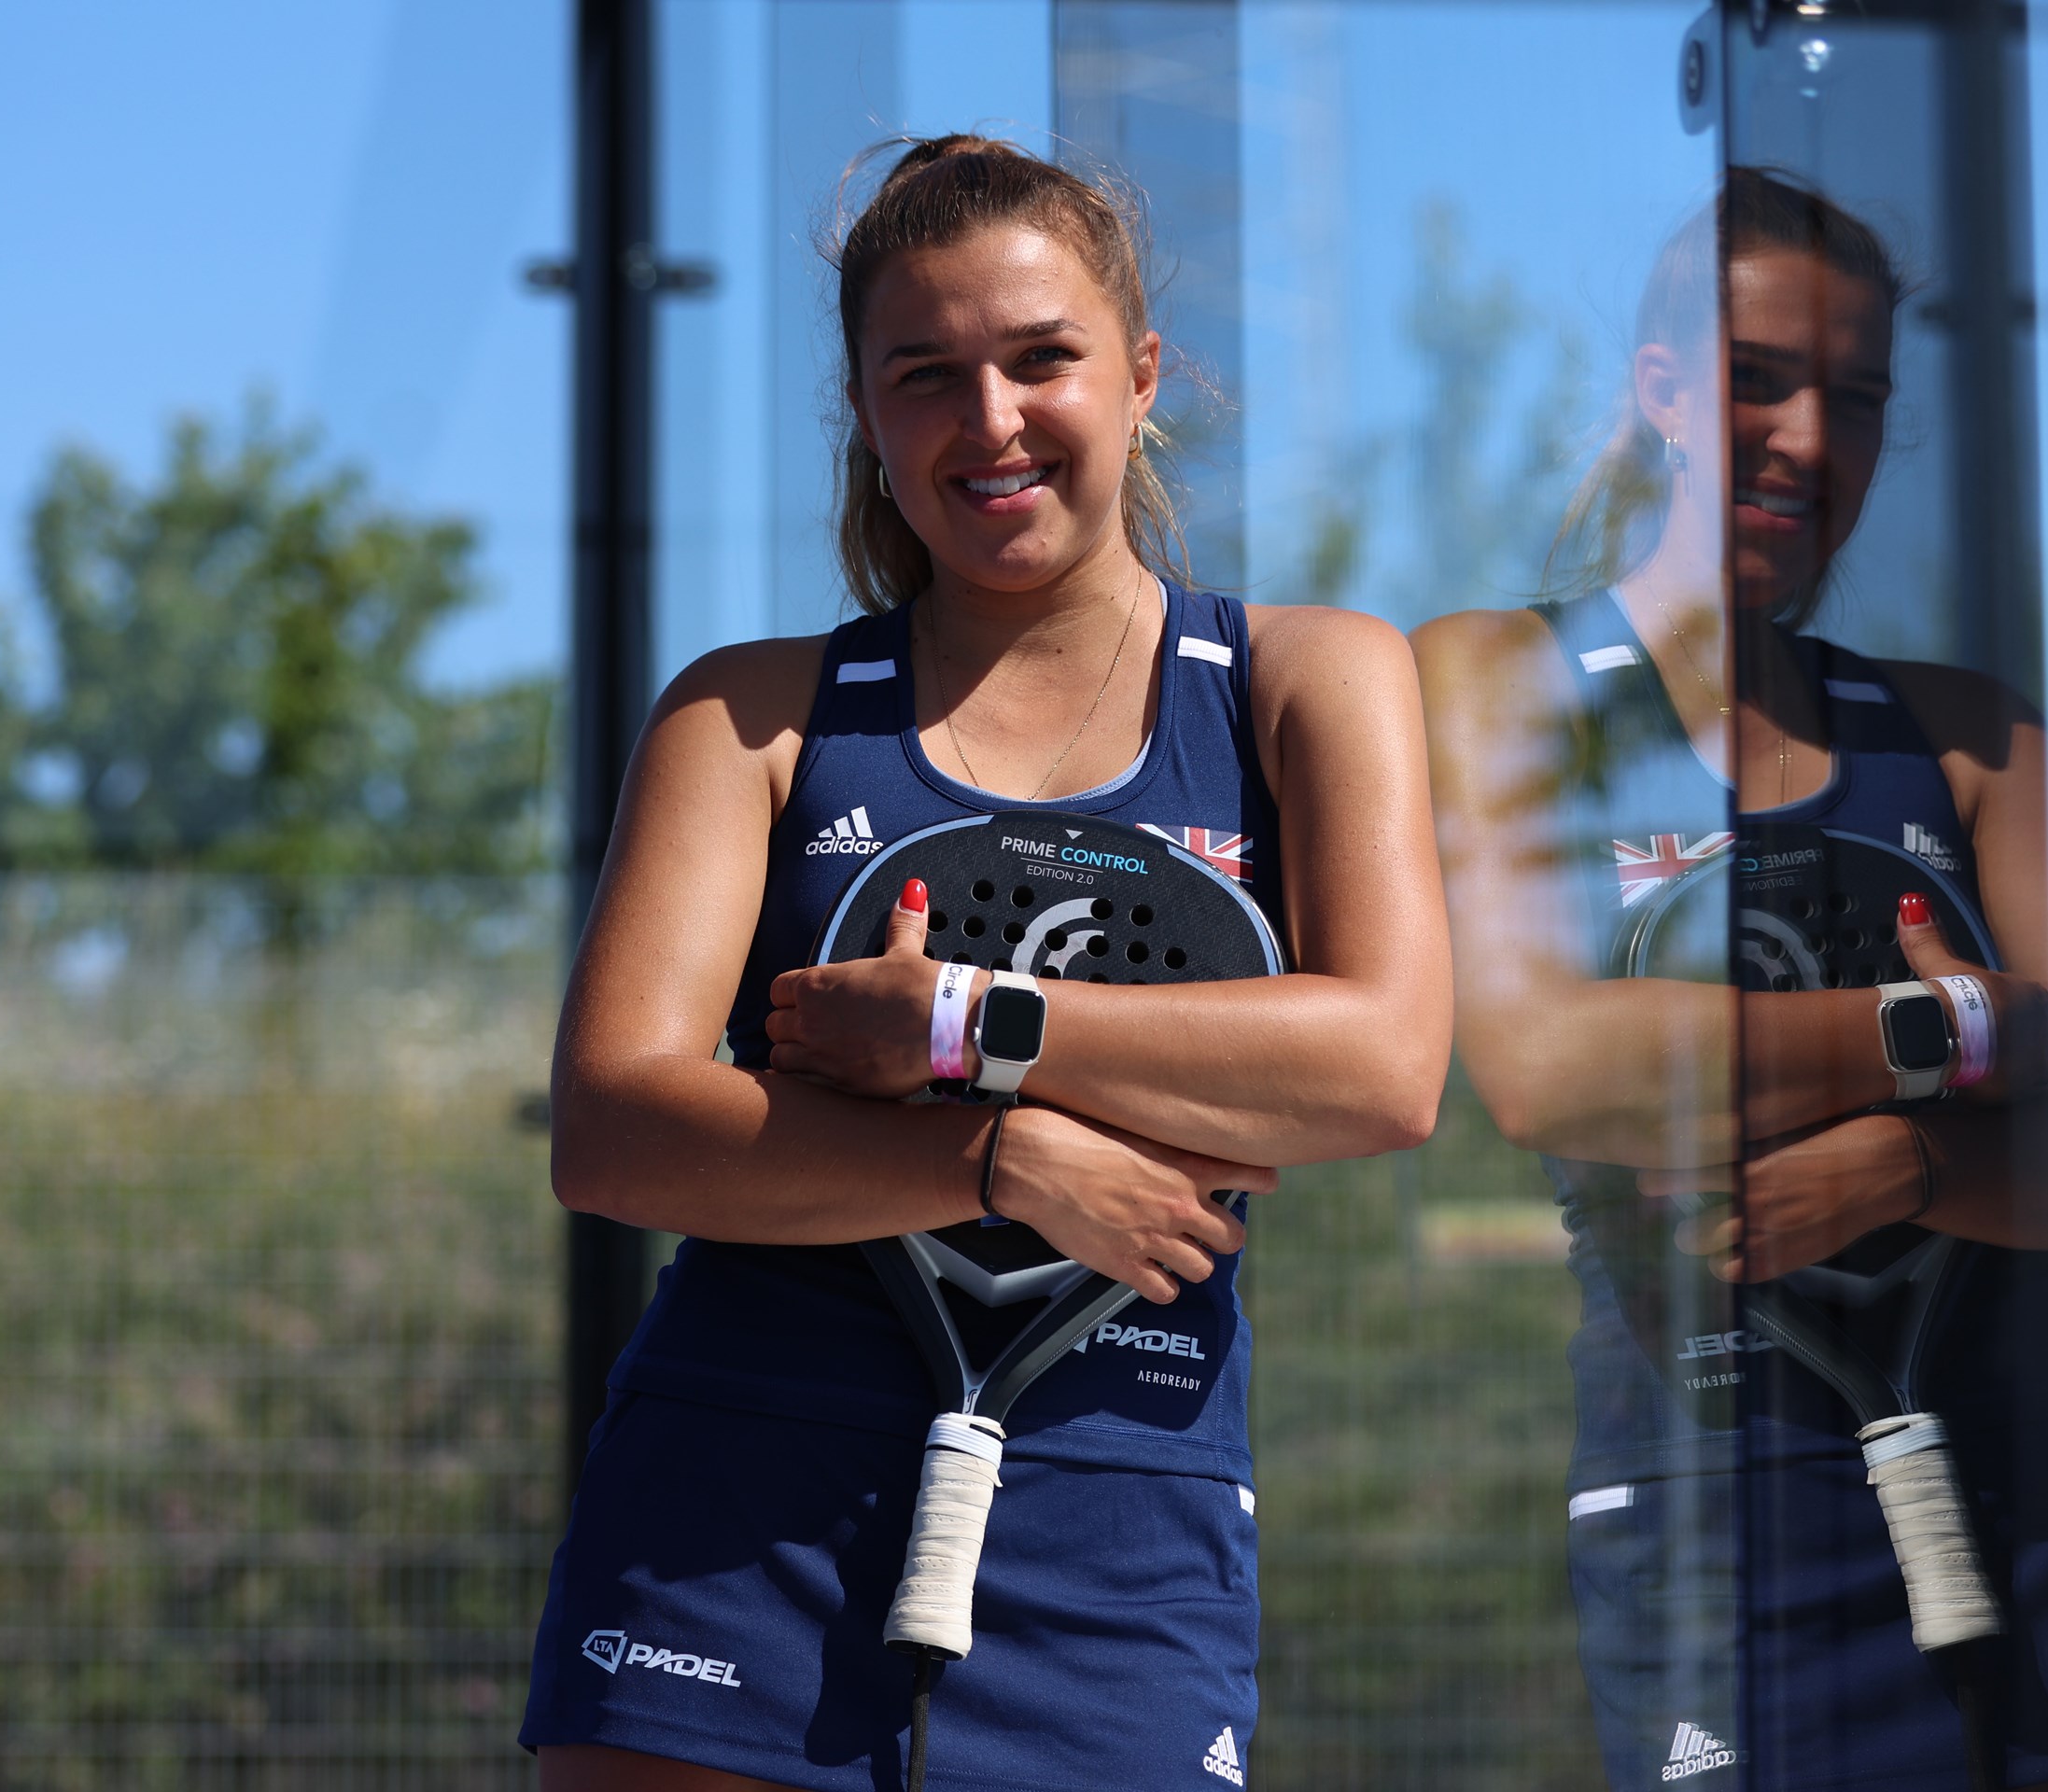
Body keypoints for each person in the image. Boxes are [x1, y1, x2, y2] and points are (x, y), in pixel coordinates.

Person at [523, 134, 1452, 1792]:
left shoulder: (1311, 679)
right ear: (869, 417)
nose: (994, 421)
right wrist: (998, 1151)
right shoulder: (750, 710)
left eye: (1045, 359)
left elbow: (1381, 1070)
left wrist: (963, 1017)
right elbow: (614, 1128)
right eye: (928, 375)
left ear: (1144, 375)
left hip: (1123, 1522)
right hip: (734, 1510)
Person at [1412, 169, 2048, 1789]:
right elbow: (1549, 1066)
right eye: (1758, 378)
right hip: (1719, 1515)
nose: (1807, 435)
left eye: (1855, 397)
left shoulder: (1964, 734)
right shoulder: (1492, 679)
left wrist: (1908, 1163)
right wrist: (1962, 1028)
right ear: (1660, 390)